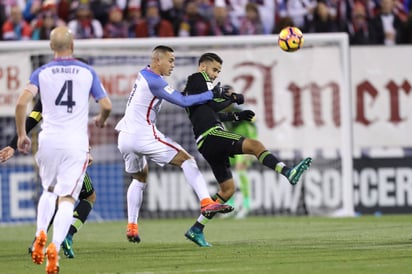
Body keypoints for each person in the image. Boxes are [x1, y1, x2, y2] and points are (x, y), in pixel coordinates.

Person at [183, 52, 312, 247]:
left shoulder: (199, 92)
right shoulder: (197, 79)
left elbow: (213, 111)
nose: (216, 74)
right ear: (202, 67)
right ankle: (287, 171)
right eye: (214, 69)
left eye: (219, 71)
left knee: (227, 190)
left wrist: (238, 116)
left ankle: (196, 229)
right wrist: (233, 98)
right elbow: (214, 104)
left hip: (207, 140)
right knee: (255, 145)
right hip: (211, 135)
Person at [15, 26, 112, 274]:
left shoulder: (41, 72)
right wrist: (101, 119)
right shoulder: (87, 71)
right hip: (75, 143)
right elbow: (107, 105)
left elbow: (21, 104)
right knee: (67, 198)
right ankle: (55, 246)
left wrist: (22, 135)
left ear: (50, 47)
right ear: (73, 46)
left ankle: (39, 234)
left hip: (48, 141)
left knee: (48, 191)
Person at [114, 45, 233, 244]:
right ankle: (206, 202)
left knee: (140, 177)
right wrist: (213, 94)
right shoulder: (155, 81)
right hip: (143, 134)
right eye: (170, 61)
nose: (173, 66)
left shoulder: (145, 75)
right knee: (188, 160)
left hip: (124, 137)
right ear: (157, 60)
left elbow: (178, 95)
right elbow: (183, 102)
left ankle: (132, 226)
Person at [0, 97, 96, 259]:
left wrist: (12, 144)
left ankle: (38, 239)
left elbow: (32, 118)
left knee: (51, 194)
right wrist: (85, 150)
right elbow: (78, 123)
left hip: (48, 150)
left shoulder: (47, 92)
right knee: (85, 197)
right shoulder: (79, 88)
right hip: (71, 152)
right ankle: (67, 235)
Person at [221, 85, 258, 219]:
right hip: (233, 143)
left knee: (240, 170)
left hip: (246, 141)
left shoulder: (240, 110)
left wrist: (253, 147)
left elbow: (253, 125)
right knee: (229, 174)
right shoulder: (220, 110)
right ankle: (231, 204)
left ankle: (247, 204)